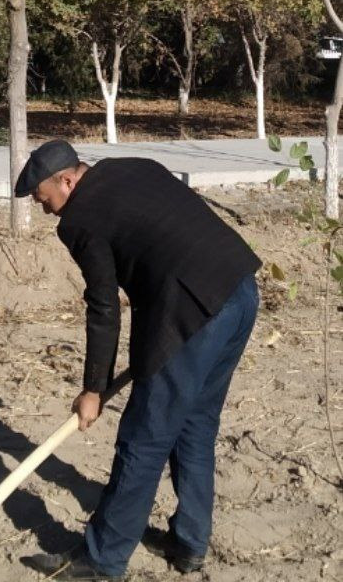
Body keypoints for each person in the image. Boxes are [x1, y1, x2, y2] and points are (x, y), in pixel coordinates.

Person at [15, 140, 260, 581]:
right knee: (196, 424)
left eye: (45, 199)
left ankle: (102, 560)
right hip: (239, 290)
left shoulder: (80, 219)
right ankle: (189, 542)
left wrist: (93, 390)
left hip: (190, 312)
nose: (47, 210)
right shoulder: (133, 165)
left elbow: (104, 307)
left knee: (142, 439)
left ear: (67, 181)